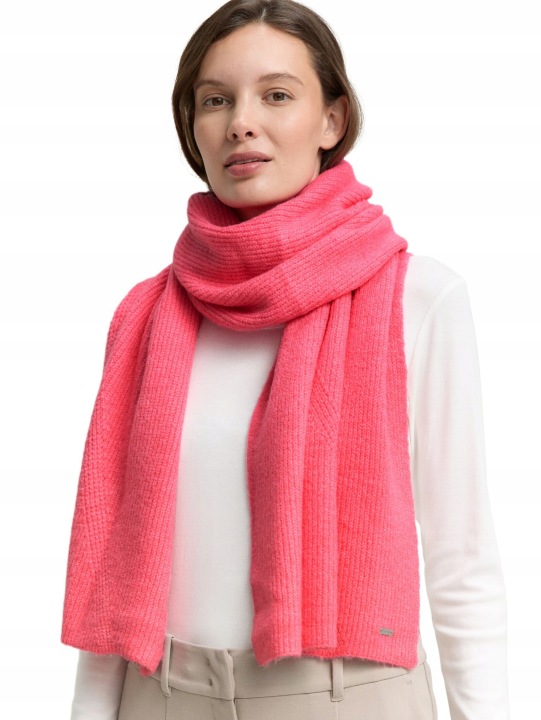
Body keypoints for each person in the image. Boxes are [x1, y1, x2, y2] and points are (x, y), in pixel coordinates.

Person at [61, 1, 509, 719]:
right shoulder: (146, 315)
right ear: (192, 127)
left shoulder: (418, 297)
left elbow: (462, 554)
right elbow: (118, 564)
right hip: (161, 697)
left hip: (346, 697)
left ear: (331, 120)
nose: (241, 122)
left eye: (275, 94)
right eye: (216, 100)